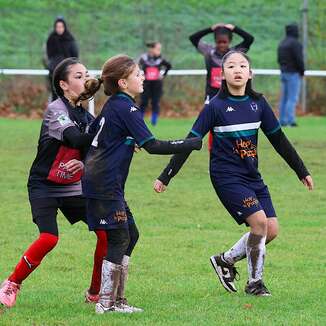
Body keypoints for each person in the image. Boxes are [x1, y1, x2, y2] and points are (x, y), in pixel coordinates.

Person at [154, 50, 313, 296]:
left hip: (252, 176)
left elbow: (279, 140)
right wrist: (167, 175)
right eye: (231, 66)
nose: (237, 70)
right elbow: (191, 142)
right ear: (222, 74)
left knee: (271, 230)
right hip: (226, 176)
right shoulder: (215, 107)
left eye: (242, 66)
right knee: (259, 223)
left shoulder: (258, 104)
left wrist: (301, 170)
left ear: (250, 73)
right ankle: (255, 284)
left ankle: (225, 260)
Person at [79, 54, 202, 313]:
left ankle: (117, 301)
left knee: (130, 235)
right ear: (123, 82)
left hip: (103, 182)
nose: (143, 76)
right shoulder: (126, 107)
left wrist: (124, 140)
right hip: (104, 183)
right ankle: (105, 303)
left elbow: (97, 137)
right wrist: (190, 143)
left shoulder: (115, 105)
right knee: (120, 237)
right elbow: (153, 146)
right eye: (137, 74)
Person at [0, 58, 107, 308]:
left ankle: (95, 292)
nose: (86, 80)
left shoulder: (84, 114)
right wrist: (105, 125)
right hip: (44, 186)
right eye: (78, 76)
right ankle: (11, 283)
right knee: (49, 238)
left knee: (106, 233)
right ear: (64, 84)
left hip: (73, 187)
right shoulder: (56, 109)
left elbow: (95, 148)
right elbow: (75, 139)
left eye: (87, 75)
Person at [190, 23, 254, 150]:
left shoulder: (235, 54)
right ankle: (213, 152)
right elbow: (193, 38)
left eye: (224, 42)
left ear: (229, 41)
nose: (222, 45)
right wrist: (210, 28)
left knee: (231, 124)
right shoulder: (209, 52)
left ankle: (234, 150)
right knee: (211, 125)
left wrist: (235, 28)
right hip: (212, 95)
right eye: (219, 42)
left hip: (230, 95)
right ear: (215, 41)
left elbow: (249, 39)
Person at [278, 23, 305, 127]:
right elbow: (299, 59)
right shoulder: (295, 43)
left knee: (284, 98)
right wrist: (302, 71)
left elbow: (279, 59)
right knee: (292, 98)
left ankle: (282, 120)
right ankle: (290, 120)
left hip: (284, 72)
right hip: (293, 73)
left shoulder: (282, 43)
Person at [139, 42, 172, 126]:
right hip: (146, 84)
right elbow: (136, 66)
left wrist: (163, 75)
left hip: (157, 84)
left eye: (159, 49)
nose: (158, 51)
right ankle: (139, 119)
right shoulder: (144, 58)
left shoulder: (160, 59)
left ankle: (154, 120)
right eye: (157, 49)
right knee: (143, 102)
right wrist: (140, 75)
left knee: (155, 102)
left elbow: (169, 66)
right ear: (151, 49)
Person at [46, 16, 79, 101]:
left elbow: (74, 56)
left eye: (61, 27)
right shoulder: (51, 39)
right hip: (54, 71)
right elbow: (49, 55)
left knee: (68, 94)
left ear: (64, 27)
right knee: (55, 94)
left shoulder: (70, 39)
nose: (59, 29)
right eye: (57, 27)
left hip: (67, 71)